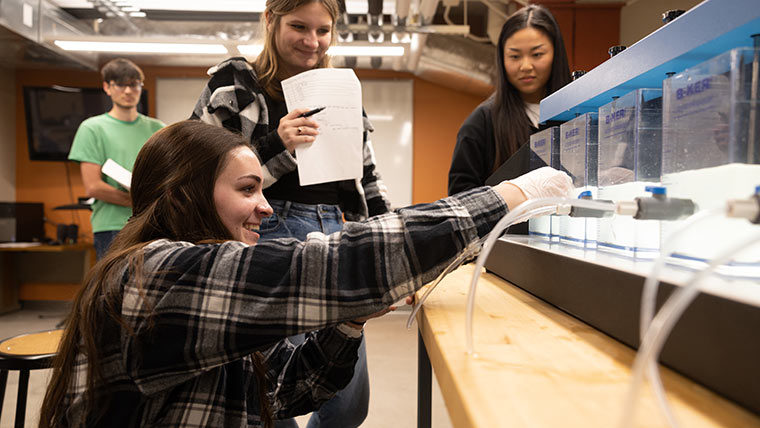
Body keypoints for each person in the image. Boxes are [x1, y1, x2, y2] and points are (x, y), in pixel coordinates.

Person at [39, 120, 573, 428]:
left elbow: (292, 388)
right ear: (187, 194)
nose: (267, 208)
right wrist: (507, 196)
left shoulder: (196, 287)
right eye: (248, 189)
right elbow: (340, 262)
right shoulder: (151, 276)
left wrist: (348, 321)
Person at [190, 0, 390, 426]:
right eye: (299, 26)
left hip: (340, 230)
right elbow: (204, 179)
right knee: (277, 390)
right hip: (268, 230)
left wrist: (387, 242)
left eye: (323, 30)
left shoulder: (340, 89)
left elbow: (368, 178)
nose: (312, 41)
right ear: (269, 19)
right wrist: (277, 146)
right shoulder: (234, 82)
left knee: (348, 404)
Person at [448, 4, 572, 196]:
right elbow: (460, 197)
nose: (525, 66)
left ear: (556, 53)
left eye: (537, 54)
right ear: (502, 58)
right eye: (514, 56)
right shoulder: (481, 122)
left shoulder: (579, 111)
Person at [68, 58, 165, 259]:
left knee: (151, 288)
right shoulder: (92, 128)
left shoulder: (158, 129)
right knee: (114, 289)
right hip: (112, 227)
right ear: (107, 87)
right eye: (121, 85)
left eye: (134, 84)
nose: (128, 91)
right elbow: (93, 187)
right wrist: (139, 203)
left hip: (152, 226)